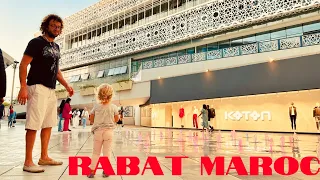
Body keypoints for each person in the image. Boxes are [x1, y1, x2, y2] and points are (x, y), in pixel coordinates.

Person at [17, 14, 74, 173]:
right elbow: (23, 65)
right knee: (34, 124)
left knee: (48, 123)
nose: (56, 29)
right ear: (46, 26)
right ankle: (28, 161)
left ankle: (44, 156)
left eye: (59, 27)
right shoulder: (36, 43)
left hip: (50, 89)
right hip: (37, 87)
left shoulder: (56, 47)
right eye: (53, 26)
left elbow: (56, 71)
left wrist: (67, 85)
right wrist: (23, 87)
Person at [87, 83, 119, 178]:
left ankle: (92, 171)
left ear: (98, 95)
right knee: (107, 152)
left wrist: (94, 121)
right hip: (109, 132)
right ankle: (106, 171)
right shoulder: (113, 107)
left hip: (98, 132)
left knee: (96, 152)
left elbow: (91, 118)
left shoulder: (96, 106)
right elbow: (116, 119)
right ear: (111, 95)